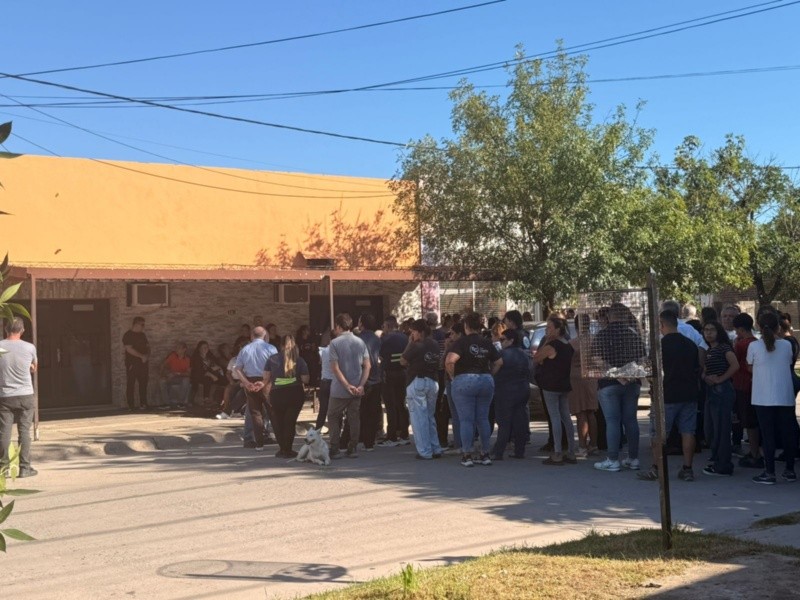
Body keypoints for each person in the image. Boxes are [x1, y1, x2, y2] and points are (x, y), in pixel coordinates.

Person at [638, 310, 700, 482]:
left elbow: (651, 371)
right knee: (688, 432)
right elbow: (698, 367)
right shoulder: (690, 344)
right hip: (688, 393)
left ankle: (657, 468)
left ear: (661, 325)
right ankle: (688, 468)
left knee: (658, 433)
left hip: (666, 394)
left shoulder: (660, 346)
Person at [591, 303, 647, 472]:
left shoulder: (602, 334)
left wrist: (615, 373)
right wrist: (628, 374)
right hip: (632, 383)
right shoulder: (634, 334)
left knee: (612, 421)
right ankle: (633, 458)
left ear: (610, 316)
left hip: (609, 384)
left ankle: (613, 458)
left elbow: (596, 359)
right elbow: (642, 359)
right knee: (631, 420)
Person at [445, 312, 502, 468]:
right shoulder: (487, 342)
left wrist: (453, 377)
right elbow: (499, 362)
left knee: (466, 420)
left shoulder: (461, 342)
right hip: (485, 380)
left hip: (464, 380)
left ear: (466, 326)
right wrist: (490, 374)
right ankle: (485, 454)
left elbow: (450, 361)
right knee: (483, 419)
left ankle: (467, 454)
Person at [748, 311, 797, 484]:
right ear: (778, 327)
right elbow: (789, 362)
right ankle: (790, 470)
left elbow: (750, 367)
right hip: (784, 394)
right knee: (787, 433)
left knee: (767, 435)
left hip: (762, 396)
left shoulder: (754, 346)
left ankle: (769, 472)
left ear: (759, 327)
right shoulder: (786, 345)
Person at [327, 313, 371, 459]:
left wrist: (347, 386)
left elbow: (335, 368)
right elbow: (367, 366)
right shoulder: (360, 342)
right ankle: (352, 448)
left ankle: (334, 448)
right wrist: (361, 385)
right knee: (354, 417)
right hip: (357, 387)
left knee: (333, 416)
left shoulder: (334, 343)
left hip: (340, 389)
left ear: (339, 327)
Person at [535, 315, 577, 466]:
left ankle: (557, 452)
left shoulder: (552, 345)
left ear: (558, 329)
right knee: (566, 417)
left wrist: (546, 340)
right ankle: (571, 452)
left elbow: (537, 358)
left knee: (555, 417)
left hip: (551, 385)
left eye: (549, 327)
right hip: (564, 384)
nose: (547, 330)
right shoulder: (567, 345)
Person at [0, 317, 38, 478]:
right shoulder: (29, 347)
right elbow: (34, 368)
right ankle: (24, 467)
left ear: (6, 330)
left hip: (5, 395)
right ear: (22, 330)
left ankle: (3, 468)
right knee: (24, 431)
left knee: (4, 432)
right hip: (25, 395)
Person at [701, 320, 739, 477]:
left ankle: (724, 464)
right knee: (712, 429)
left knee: (722, 429)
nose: (708, 333)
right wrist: (705, 376)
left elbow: (735, 365)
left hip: (723, 391)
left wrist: (720, 379)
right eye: (706, 330)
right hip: (712, 391)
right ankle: (717, 458)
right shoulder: (710, 349)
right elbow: (705, 369)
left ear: (719, 332)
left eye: (712, 330)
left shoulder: (724, 348)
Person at [400, 319, 442, 460]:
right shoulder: (435, 344)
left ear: (420, 332)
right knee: (430, 417)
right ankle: (435, 447)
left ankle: (424, 451)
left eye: (414, 332)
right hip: (432, 381)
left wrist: (410, 343)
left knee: (419, 418)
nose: (412, 335)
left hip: (417, 381)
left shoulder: (416, 345)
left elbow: (403, 361)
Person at [263, 335, 309, 458]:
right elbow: (305, 379)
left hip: (277, 394)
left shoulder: (272, 359)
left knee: (278, 422)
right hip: (295, 393)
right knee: (290, 422)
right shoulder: (299, 360)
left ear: (281, 345)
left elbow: (266, 378)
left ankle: (282, 449)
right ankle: (288, 449)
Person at [233, 327, 278, 451]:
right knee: (272, 411)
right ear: (265, 335)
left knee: (254, 413)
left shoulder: (245, 349)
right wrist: (265, 382)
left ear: (252, 336)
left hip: (251, 380)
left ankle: (258, 442)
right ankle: (280, 439)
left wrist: (246, 383)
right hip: (265, 380)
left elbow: (237, 368)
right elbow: (275, 367)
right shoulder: (270, 348)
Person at [492, 329, 531, 460]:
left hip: (505, 391)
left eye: (503, 340)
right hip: (522, 389)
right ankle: (520, 451)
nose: (500, 342)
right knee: (520, 421)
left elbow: (495, 369)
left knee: (504, 423)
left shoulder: (502, 354)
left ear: (511, 340)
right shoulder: (524, 354)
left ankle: (498, 452)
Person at [732, 313, 762, 469]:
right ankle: (755, 451)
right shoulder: (756, 343)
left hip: (743, 385)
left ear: (741, 329)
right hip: (753, 385)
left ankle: (755, 452)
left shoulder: (741, 344)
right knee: (753, 420)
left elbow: (733, 361)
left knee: (749, 422)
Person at [569, 314, 599, 457]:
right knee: (591, 412)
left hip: (576, 378)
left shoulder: (573, 343)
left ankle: (582, 446)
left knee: (581, 413)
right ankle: (593, 444)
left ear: (576, 326)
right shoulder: (595, 341)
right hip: (592, 377)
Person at [379, 316, 410, 446]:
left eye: (384, 326)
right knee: (401, 404)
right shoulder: (405, 337)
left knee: (390, 405)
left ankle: (391, 436)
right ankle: (404, 433)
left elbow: (380, 355)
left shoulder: (385, 339)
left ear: (388, 325)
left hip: (388, 374)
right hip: (403, 373)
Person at [123, 316, 150, 411]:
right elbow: (129, 349)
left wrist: (146, 355)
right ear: (136, 324)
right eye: (142, 325)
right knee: (131, 383)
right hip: (132, 363)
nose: (143, 327)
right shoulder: (128, 335)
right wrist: (141, 356)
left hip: (143, 364)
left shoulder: (142, 335)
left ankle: (143, 403)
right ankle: (131, 405)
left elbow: (147, 346)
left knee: (143, 383)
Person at [190, 340, 225, 405]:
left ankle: (222, 399)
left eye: (207, 347)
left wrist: (218, 368)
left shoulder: (209, 356)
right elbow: (200, 371)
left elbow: (215, 363)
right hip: (199, 376)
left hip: (211, 373)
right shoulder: (196, 358)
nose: (206, 349)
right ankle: (206, 398)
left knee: (223, 379)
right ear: (199, 349)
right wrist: (212, 375)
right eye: (204, 347)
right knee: (207, 379)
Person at [159, 342, 191, 408]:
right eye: (176, 347)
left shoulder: (188, 359)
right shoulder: (172, 355)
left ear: (184, 349)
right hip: (171, 377)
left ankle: (181, 403)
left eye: (179, 348)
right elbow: (163, 365)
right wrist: (163, 374)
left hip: (181, 378)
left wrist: (177, 374)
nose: (176, 349)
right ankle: (166, 403)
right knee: (162, 381)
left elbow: (188, 373)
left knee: (186, 380)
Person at [315, 329, 335, 431]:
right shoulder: (338, 350)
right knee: (336, 409)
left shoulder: (323, 351)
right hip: (335, 382)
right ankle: (335, 430)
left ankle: (318, 430)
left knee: (323, 409)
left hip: (325, 381)